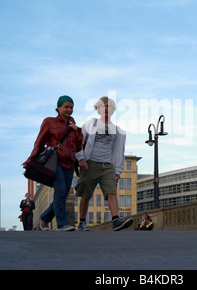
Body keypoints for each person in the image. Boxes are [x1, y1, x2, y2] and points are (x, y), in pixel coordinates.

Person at [23, 95, 83, 231]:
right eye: (66, 107)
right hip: (55, 161)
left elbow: (78, 147)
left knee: (63, 194)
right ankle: (62, 223)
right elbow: (39, 142)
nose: (69, 110)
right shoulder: (49, 122)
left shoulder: (72, 124)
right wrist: (30, 159)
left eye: (71, 107)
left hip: (69, 163)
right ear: (58, 108)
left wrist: (77, 131)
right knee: (60, 190)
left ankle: (45, 217)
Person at [75, 96, 133, 231]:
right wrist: (81, 159)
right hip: (90, 163)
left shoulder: (118, 131)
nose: (106, 108)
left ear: (113, 110)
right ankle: (82, 222)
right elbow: (79, 141)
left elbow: (119, 151)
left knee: (112, 192)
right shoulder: (91, 124)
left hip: (107, 166)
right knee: (85, 195)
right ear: (98, 109)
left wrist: (118, 170)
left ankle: (115, 221)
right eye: (103, 106)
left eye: (109, 106)